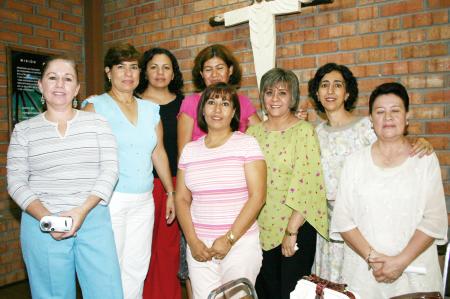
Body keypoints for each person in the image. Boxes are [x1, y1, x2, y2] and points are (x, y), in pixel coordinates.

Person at [7, 56, 123, 299]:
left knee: (106, 292)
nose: (60, 84)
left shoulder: (98, 123)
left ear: (77, 89)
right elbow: (16, 182)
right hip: (42, 223)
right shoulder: (23, 131)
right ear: (40, 85)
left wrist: (81, 211)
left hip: (92, 218)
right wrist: (46, 217)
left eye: (67, 78)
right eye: (52, 77)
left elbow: (110, 170)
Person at [308, 63, 435, 283]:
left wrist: (421, 142)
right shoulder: (313, 134)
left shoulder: (367, 126)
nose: (330, 91)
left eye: (337, 85)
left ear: (347, 93)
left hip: (365, 225)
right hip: (328, 229)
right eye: (324, 85)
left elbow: (395, 147)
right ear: (316, 94)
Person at [330, 82, 447, 298]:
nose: (388, 117)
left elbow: (435, 220)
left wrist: (399, 262)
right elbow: (343, 219)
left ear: (407, 117)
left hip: (415, 278)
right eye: (380, 112)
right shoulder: (354, 162)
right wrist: (373, 258)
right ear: (372, 121)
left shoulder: (424, 160)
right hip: (365, 277)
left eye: (395, 111)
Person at [82, 43, 175, 299]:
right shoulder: (94, 106)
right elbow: (85, 158)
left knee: (136, 266)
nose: (128, 73)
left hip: (144, 200)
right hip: (109, 200)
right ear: (108, 72)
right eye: (120, 67)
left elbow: (158, 153)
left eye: (133, 67)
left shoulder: (150, 109)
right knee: (108, 267)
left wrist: (170, 192)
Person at [177, 43, 260, 297]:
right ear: (202, 108)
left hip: (239, 243)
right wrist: (192, 241)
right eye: (211, 102)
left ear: (235, 111)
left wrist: (230, 239)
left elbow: (258, 197)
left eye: (225, 104)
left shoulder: (247, 144)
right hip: (199, 245)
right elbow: (181, 198)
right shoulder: (190, 150)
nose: (217, 109)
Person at [246, 68, 328, 299]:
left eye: (282, 93)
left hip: (294, 226)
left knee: (290, 294)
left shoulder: (304, 131)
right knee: (263, 292)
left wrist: (291, 231)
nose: (274, 99)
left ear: (292, 98)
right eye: (269, 92)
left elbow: (308, 183)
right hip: (259, 227)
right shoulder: (252, 133)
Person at [135, 47, 184, 299]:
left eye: (166, 67)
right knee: (140, 248)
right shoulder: (131, 102)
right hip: (139, 184)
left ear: (174, 73)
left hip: (173, 186)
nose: (160, 72)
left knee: (167, 250)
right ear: (145, 71)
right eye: (153, 66)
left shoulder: (183, 104)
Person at [178, 43, 260, 151]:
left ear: (230, 70)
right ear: (202, 74)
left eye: (219, 68)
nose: (214, 75)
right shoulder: (190, 103)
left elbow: (262, 135)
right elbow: (182, 152)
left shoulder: (243, 102)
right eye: (208, 69)